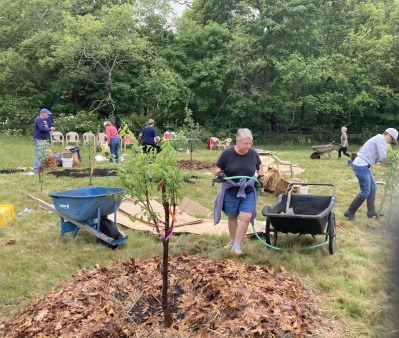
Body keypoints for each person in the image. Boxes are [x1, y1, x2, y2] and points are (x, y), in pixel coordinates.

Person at [213, 128, 264, 255]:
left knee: (246, 217)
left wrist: (260, 177)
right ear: (237, 141)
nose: (248, 146)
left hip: (247, 190)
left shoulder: (253, 153)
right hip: (231, 190)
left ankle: (237, 245)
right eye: (245, 143)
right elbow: (217, 167)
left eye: (250, 143)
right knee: (232, 216)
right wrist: (220, 174)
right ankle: (232, 240)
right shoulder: (227, 153)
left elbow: (260, 166)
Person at [344, 128, 398, 220]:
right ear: (388, 135)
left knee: (373, 188)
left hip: (364, 165)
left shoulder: (379, 139)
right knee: (365, 192)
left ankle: (371, 211)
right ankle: (350, 212)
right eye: (392, 140)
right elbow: (383, 157)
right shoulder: (381, 139)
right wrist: (393, 163)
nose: (391, 142)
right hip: (361, 166)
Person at [33, 108, 56, 173]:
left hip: (43, 139)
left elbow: (45, 127)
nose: (48, 115)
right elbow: (42, 128)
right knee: (38, 155)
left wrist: (49, 129)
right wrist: (50, 129)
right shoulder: (39, 119)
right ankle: (36, 170)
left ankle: (40, 169)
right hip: (39, 139)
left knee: (42, 155)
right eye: (47, 113)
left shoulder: (43, 120)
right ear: (42, 113)